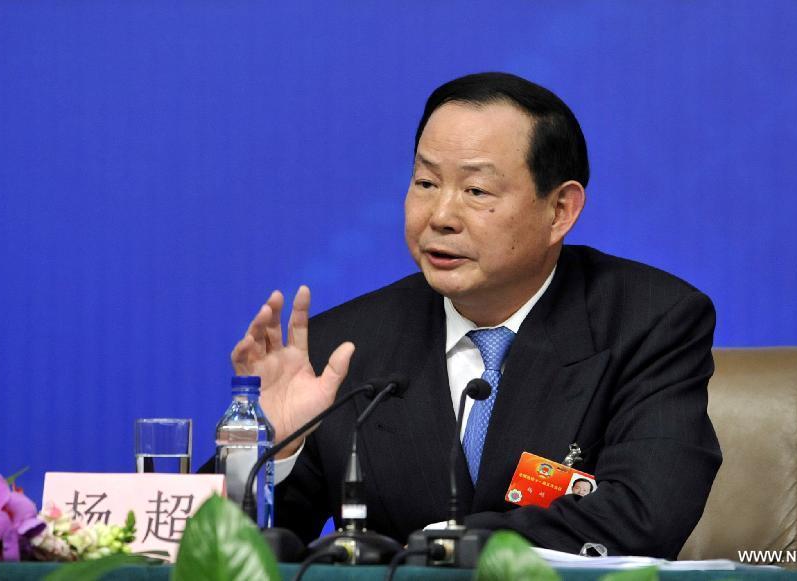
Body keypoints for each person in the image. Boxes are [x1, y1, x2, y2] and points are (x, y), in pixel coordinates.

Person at [230, 72, 721, 558]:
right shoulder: (343, 348)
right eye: (425, 182)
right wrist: (265, 448)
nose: (440, 215)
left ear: (560, 210)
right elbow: (234, 550)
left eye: (476, 191)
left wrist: (448, 547)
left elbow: (645, 515)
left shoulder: (650, 320)